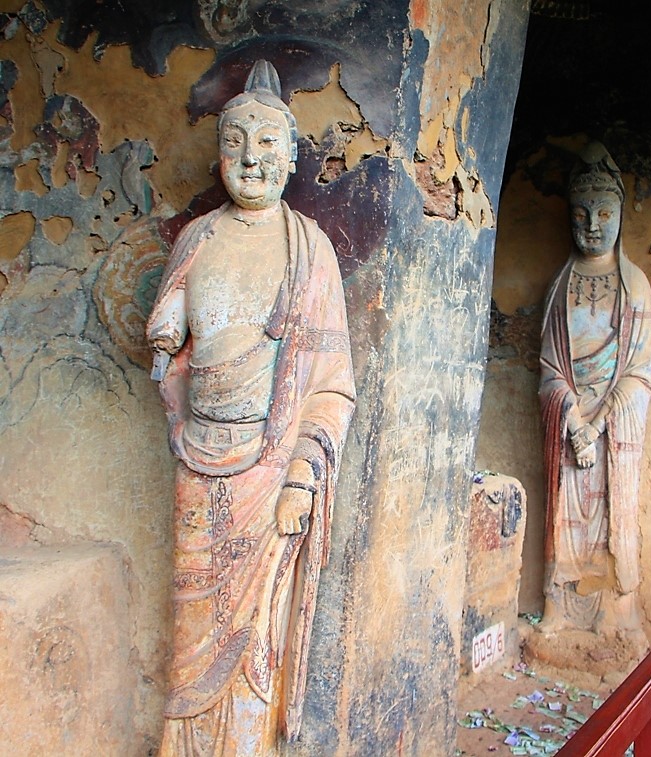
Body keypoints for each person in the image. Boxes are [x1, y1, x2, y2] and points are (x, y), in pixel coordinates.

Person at [146, 60, 356, 754]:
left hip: (268, 474)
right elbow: (171, 322)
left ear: (292, 156)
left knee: (254, 632)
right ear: (218, 155)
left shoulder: (311, 253)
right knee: (190, 631)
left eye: (267, 144)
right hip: (197, 459)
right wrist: (166, 329)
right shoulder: (198, 239)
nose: (251, 160)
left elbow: (331, 383)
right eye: (236, 144)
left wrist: (301, 473)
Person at [538, 142, 651, 635]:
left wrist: (600, 423)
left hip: (612, 426)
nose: (592, 224)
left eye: (605, 212)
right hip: (570, 425)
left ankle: (611, 607)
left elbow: (639, 371)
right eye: (581, 212)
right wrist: (573, 421)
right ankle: (560, 607)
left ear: (621, 215)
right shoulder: (559, 285)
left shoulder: (635, 286)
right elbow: (548, 365)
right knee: (565, 516)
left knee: (610, 516)